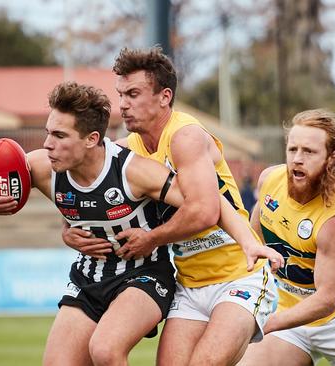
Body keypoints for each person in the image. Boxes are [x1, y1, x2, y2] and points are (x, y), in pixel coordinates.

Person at [0, 82, 279, 366]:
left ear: (91, 139)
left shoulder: (132, 170)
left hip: (143, 275)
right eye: (48, 133)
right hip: (89, 276)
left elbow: (207, 201)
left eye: (59, 136)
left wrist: (249, 241)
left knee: (104, 349)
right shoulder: (44, 167)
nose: (47, 144)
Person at [61, 46, 279, 366]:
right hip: (189, 286)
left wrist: (150, 239)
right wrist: (67, 229)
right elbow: (85, 188)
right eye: (121, 94)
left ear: (164, 96)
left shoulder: (185, 136)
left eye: (134, 93)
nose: (123, 104)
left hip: (238, 277)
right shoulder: (126, 151)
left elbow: (204, 211)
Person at [238, 109, 335, 366]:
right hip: (286, 312)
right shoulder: (269, 180)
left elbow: (326, 300)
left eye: (309, 152)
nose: (297, 159)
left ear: (331, 158)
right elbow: (251, 243)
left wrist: (265, 323)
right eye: (292, 150)